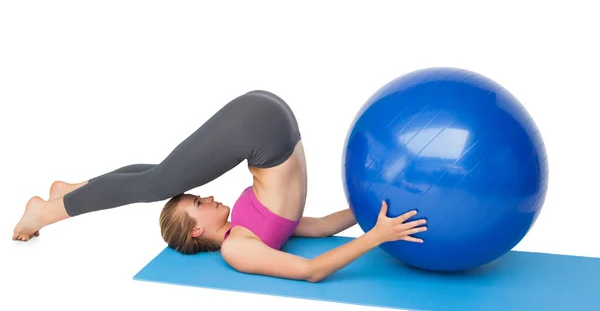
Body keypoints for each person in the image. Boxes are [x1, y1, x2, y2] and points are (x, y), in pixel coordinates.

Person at [12, 89, 427, 282]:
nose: (208, 194)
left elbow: (312, 246)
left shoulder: (243, 229)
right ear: (197, 231)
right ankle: (60, 199)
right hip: (270, 125)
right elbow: (311, 261)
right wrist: (372, 223)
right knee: (160, 176)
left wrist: (375, 228)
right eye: (199, 202)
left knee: (161, 176)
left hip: (264, 127)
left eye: (199, 196)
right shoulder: (239, 246)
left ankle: (60, 199)